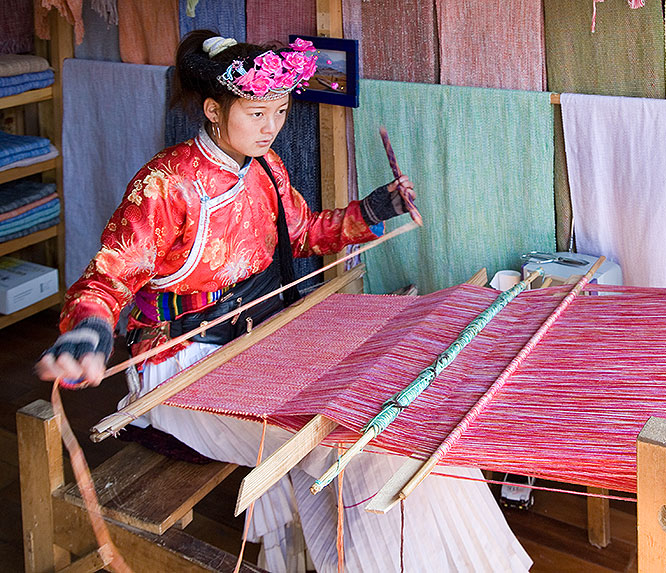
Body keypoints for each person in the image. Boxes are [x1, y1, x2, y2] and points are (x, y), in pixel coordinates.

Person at [37, 30, 531, 573]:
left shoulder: (268, 169)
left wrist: (374, 208)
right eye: (256, 113)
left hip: (258, 339)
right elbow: (107, 277)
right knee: (357, 441)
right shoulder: (167, 184)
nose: (271, 127)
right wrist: (88, 332)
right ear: (214, 111)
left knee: (406, 419)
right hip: (180, 369)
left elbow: (306, 232)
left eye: (279, 112)